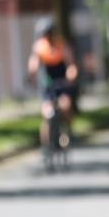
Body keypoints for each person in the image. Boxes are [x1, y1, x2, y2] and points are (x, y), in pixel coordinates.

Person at [27, 17, 78, 156]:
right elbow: (34, 63)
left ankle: (68, 130)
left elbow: (71, 65)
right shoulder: (39, 47)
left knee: (65, 106)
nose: (47, 37)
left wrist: (71, 75)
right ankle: (45, 145)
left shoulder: (62, 45)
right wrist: (32, 75)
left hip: (62, 82)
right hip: (47, 85)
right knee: (46, 113)